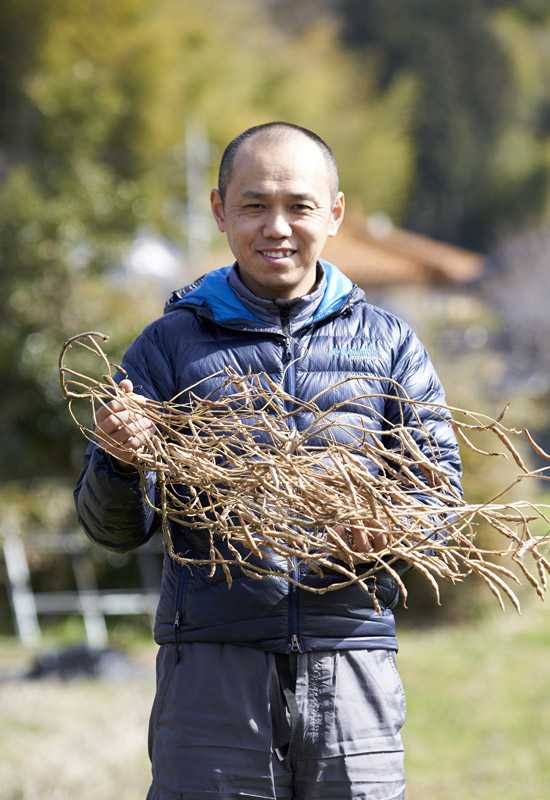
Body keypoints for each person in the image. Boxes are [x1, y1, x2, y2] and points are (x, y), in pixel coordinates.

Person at [74, 122, 462, 800]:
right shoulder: (168, 348)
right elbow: (111, 530)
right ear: (221, 210)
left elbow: (440, 498)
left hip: (352, 664)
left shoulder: (389, 344)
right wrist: (118, 462)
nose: (276, 226)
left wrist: (389, 536)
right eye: (254, 205)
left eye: (298, 206)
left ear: (334, 213)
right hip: (212, 674)